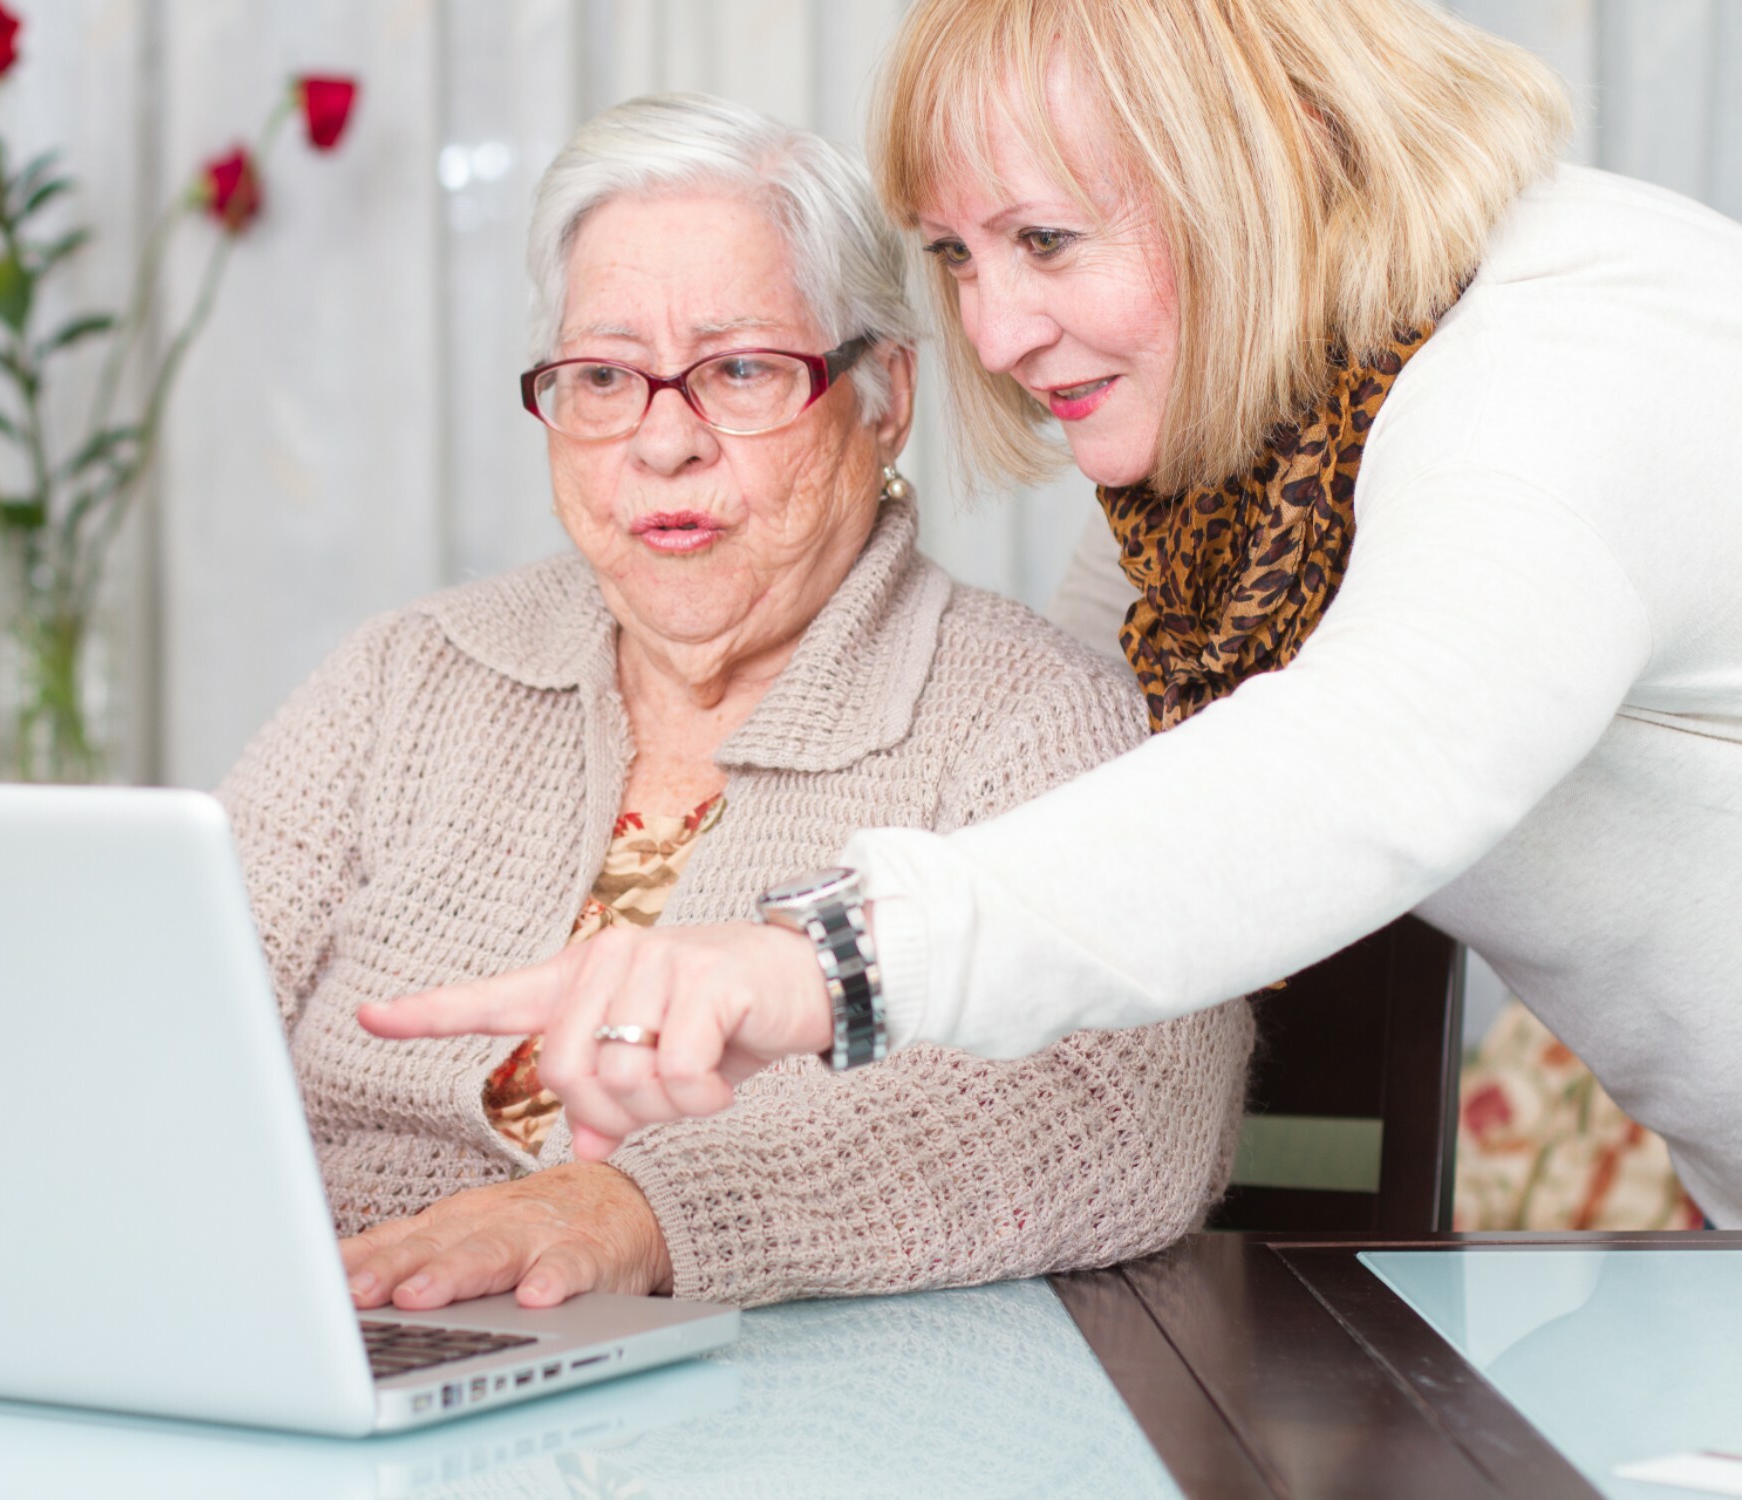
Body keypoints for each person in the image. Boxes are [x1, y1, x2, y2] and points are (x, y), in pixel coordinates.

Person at [365, 0, 1742, 1230]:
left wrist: (812, 961)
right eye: (958, 255)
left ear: (1273, 160)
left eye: (1046, 240)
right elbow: (1070, 822)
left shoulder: (1572, 365)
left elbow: (1367, 761)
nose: (998, 332)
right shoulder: (1231, 489)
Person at [221, 92, 1251, 1314]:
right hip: (325, 1337)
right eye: (604, 376)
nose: (662, 444)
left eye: (741, 370)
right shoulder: (408, 676)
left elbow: (1126, 1116)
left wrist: (640, 1211)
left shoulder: (1026, 718)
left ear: (884, 400)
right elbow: (152, 1006)